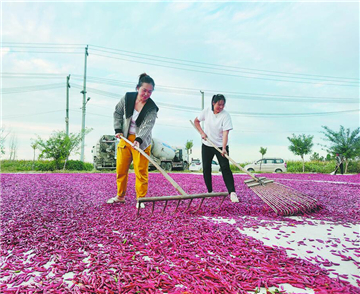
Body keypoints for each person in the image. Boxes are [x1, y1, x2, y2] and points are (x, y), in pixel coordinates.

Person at [107, 73, 159, 208]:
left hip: (142, 141)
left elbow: (148, 125)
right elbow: (117, 112)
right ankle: (120, 196)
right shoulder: (128, 98)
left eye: (150, 91)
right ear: (138, 88)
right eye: (144, 90)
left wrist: (139, 140)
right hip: (125, 138)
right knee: (121, 169)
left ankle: (141, 199)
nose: (146, 94)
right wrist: (118, 129)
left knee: (141, 171)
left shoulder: (152, 108)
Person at [194, 94, 239, 203]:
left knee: (225, 168)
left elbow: (225, 133)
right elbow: (196, 121)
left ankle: (232, 192)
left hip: (220, 145)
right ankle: (210, 191)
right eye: (219, 104)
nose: (221, 107)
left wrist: (224, 148)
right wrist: (202, 133)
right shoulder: (207, 111)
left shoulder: (225, 115)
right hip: (207, 144)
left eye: (223, 105)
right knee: (206, 168)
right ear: (213, 103)